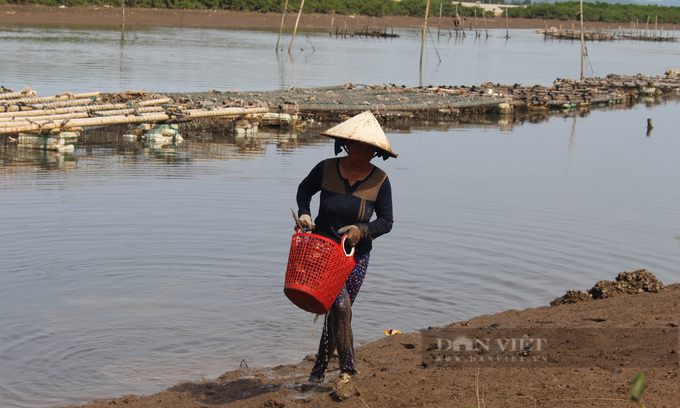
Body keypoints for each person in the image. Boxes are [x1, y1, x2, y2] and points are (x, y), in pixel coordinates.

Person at [295, 111, 397, 400]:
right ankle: (322, 370)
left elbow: (386, 222)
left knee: (339, 306)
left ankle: (344, 371)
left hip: (355, 257)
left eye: (370, 149)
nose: (364, 153)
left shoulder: (380, 181)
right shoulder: (326, 169)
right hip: (322, 253)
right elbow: (304, 190)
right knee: (337, 309)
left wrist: (361, 231)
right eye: (359, 147)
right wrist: (304, 213)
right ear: (346, 144)